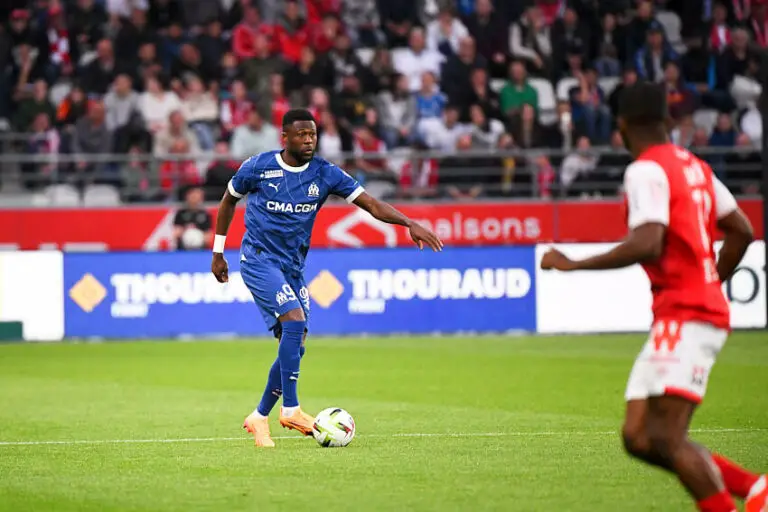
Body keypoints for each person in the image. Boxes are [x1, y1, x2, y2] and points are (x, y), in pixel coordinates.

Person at [540, 83, 766, 512]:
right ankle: (756, 488)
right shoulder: (694, 166)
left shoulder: (645, 170)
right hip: (685, 311)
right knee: (639, 436)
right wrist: (712, 280)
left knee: (665, 437)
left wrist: (573, 264)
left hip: (687, 313)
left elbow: (648, 242)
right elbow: (741, 230)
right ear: (665, 119)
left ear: (622, 125)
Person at [211, 109, 443, 448]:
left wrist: (409, 223)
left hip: (292, 266)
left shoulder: (325, 173)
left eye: (313, 135)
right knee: (294, 320)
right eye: (301, 135)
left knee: (296, 344)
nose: (308, 140)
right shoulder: (258, 167)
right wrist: (218, 252)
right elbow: (227, 201)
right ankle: (291, 409)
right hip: (258, 259)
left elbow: (371, 204)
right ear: (285, 137)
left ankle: (259, 416)